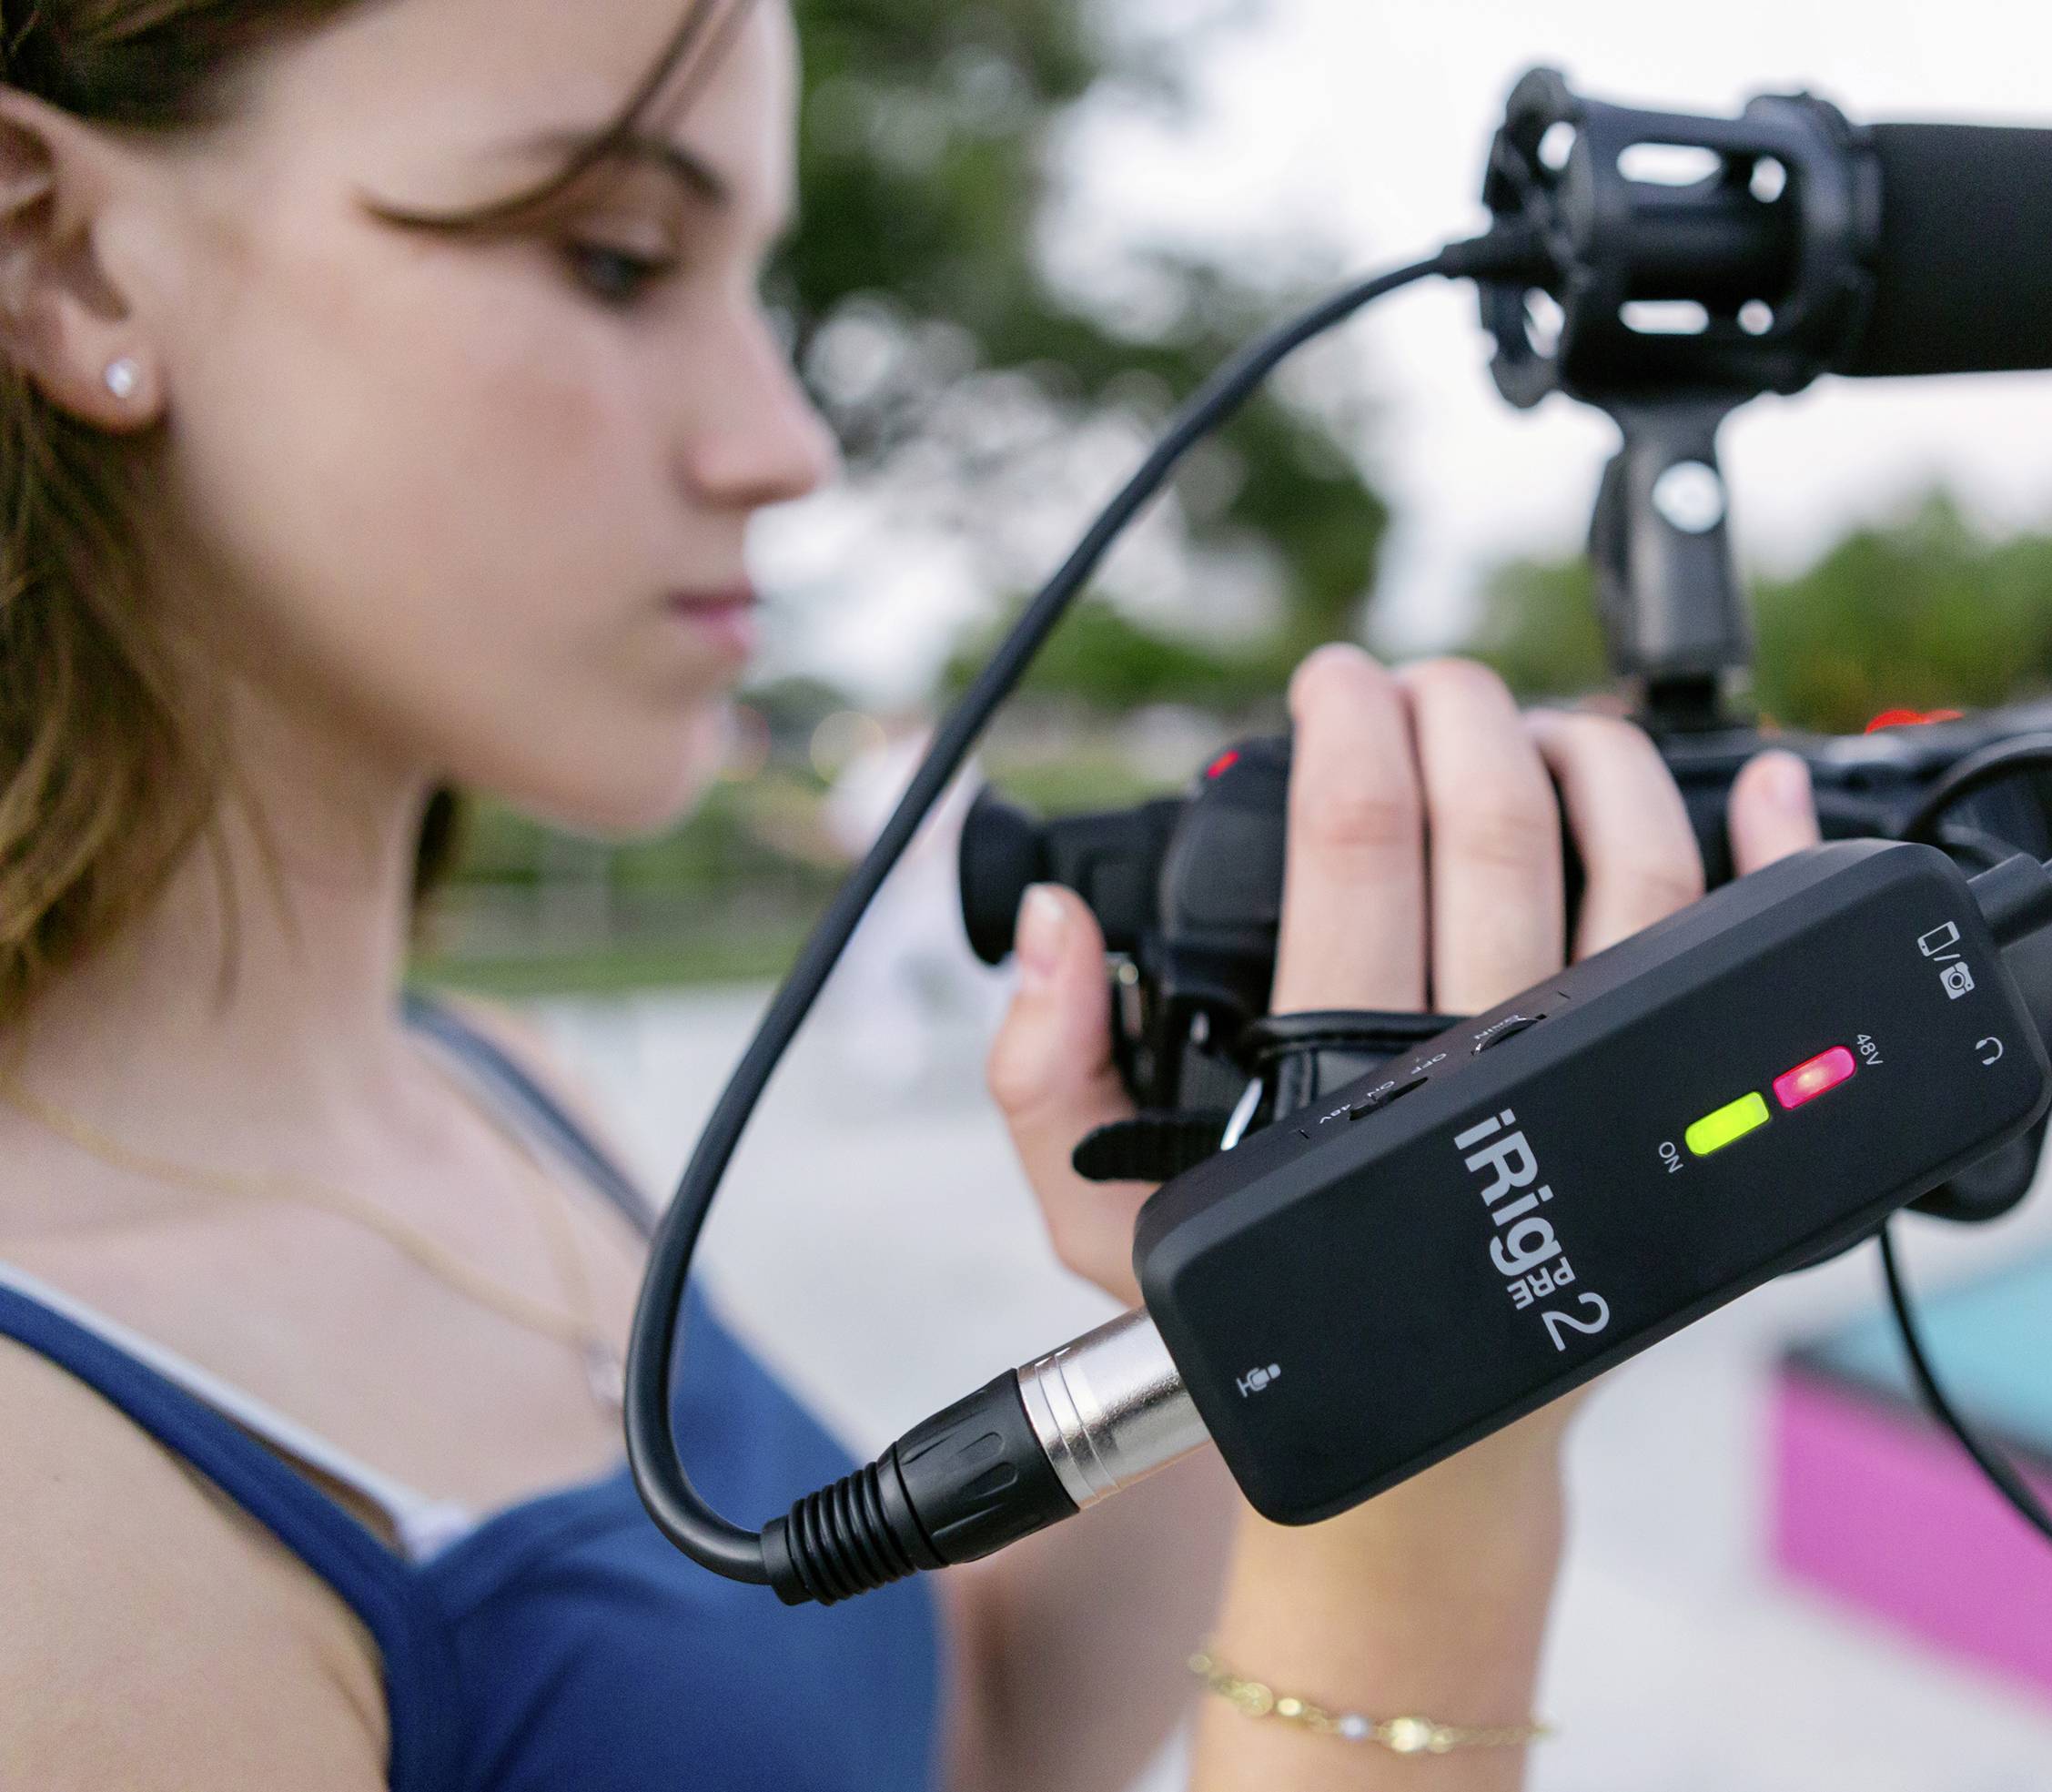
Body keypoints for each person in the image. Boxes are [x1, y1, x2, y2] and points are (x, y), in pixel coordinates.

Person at [0, 3, 1821, 1787]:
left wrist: (1260, 1271)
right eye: (617, 258)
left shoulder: (493, 1083)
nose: (786, 440)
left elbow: (974, 1733)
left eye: (756, 283)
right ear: (67, 259)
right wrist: (1420, 1430)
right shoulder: (42, 1542)